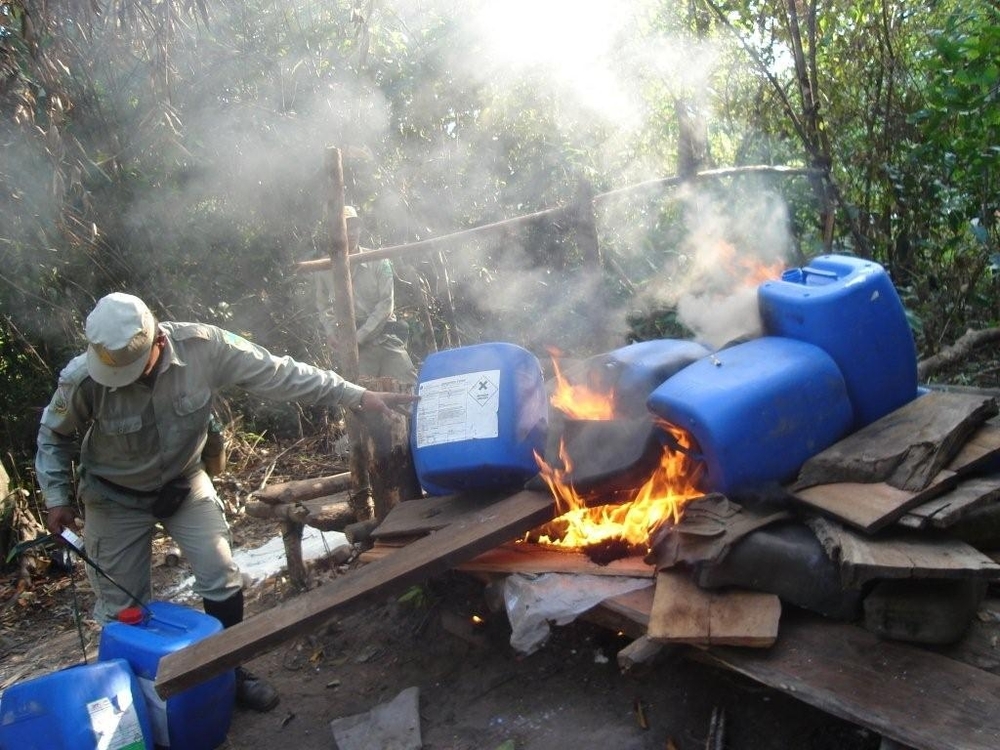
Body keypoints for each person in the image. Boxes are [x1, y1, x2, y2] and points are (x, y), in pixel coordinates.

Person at [36, 292, 418, 713]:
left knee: (221, 576)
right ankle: (138, 708)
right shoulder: (83, 379)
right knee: (122, 608)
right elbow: (54, 436)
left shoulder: (205, 347)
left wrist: (357, 395)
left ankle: (229, 671)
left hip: (183, 481)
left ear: (157, 343)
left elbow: (280, 373)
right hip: (114, 496)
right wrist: (57, 497)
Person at [315, 205, 417, 385]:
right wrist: (332, 331)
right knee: (361, 400)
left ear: (360, 228)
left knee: (409, 389)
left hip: (385, 338)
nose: (351, 232)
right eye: (345, 227)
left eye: (354, 226)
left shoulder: (379, 260)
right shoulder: (324, 268)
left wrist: (359, 337)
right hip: (355, 348)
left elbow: (386, 304)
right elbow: (323, 306)